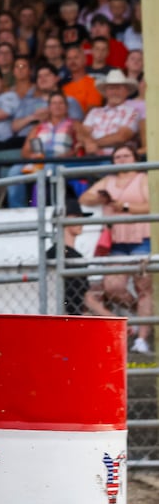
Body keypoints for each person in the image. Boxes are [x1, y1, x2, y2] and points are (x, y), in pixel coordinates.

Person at [80, 143, 152, 352]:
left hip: (142, 239)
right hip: (116, 242)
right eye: (117, 156)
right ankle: (140, 316)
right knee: (113, 287)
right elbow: (85, 197)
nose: (121, 160)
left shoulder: (144, 179)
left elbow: (152, 204)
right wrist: (100, 198)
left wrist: (125, 207)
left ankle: (142, 339)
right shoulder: (108, 180)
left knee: (144, 287)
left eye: (126, 156)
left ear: (135, 158)